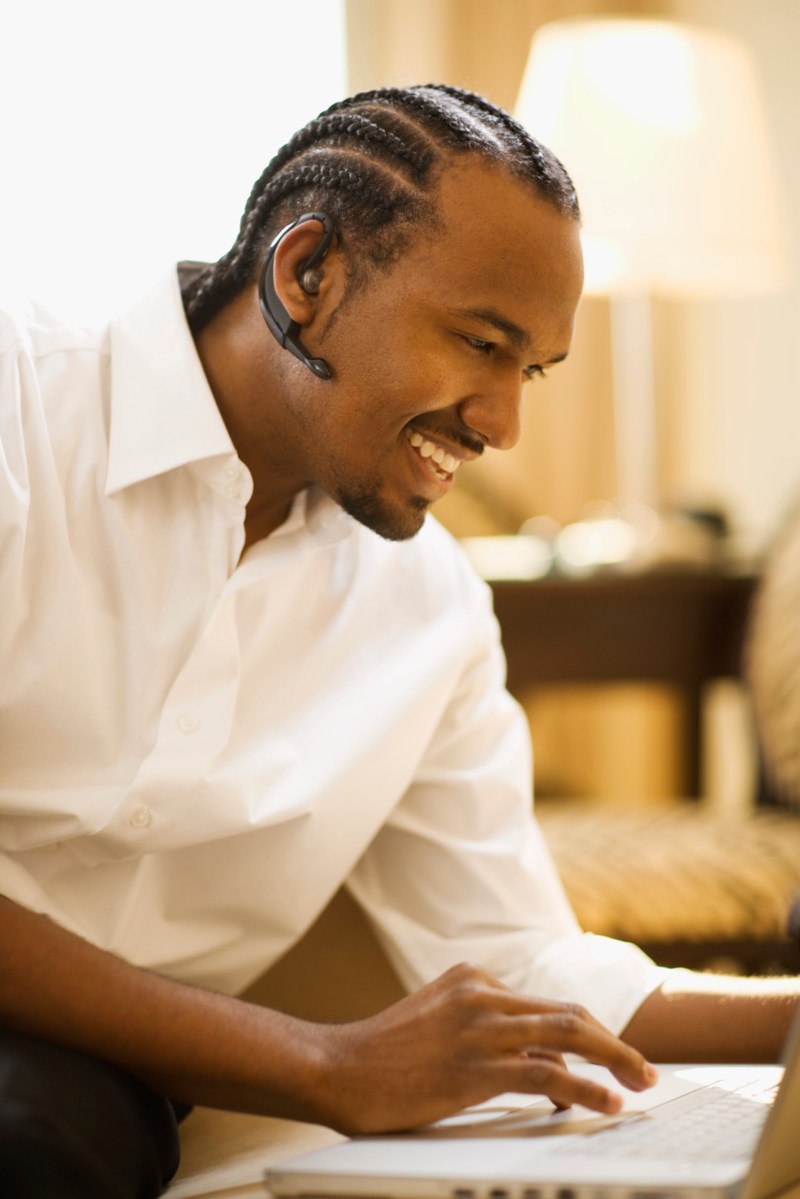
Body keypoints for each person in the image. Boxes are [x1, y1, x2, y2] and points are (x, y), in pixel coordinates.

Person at [0, 83, 796, 1199]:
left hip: (90, 1092)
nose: (503, 421)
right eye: (481, 342)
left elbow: (520, 956)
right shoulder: (20, 411)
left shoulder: (430, 612)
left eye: (531, 370)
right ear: (306, 275)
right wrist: (322, 1062)